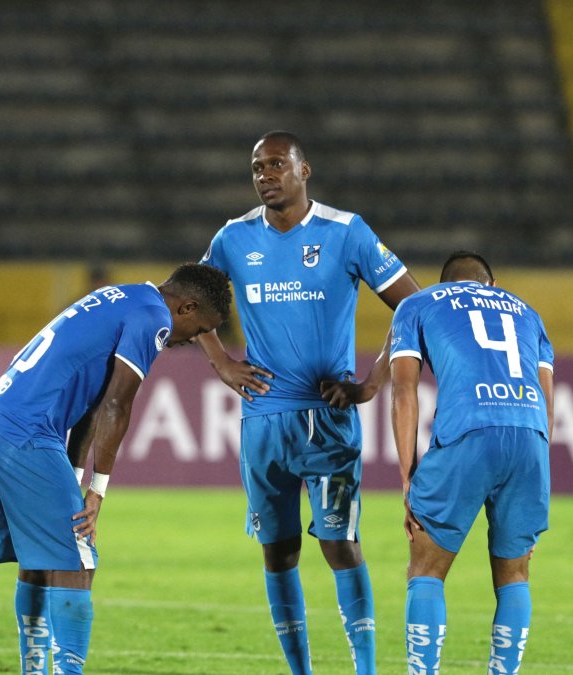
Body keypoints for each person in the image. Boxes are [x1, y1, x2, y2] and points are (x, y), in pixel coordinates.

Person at [197, 130, 420, 674]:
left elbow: (415, 307)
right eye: (257, 167)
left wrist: (372, 383)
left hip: (328, 420)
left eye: (276, 164)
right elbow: (189, 299)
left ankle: (365, 669)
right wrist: (221, 362)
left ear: (304, 169)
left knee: (340, 544)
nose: (265, 175)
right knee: (278, 552)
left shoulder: (347, 232)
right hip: (262, 420)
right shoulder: (233, 238)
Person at [0, 263, 230, 674]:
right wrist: (98, 489)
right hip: (26, 432)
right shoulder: (154, 317)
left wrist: (74, 475)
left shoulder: (122, 296)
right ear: (187, 308)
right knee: (78, 558)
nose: (190, 341)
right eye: (198, 331)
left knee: (41, 556)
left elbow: (93, 403)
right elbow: (116, 405)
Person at [388, 251, 554, 674]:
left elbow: (404, 390)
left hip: (467, 431)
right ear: (492, 286)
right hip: (529, 437)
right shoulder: (528, 313)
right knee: (515, 574)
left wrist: (407, 477)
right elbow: (545, 398)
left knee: (426, 568)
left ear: (444, 284)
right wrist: (535, 474)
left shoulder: (418, 303)